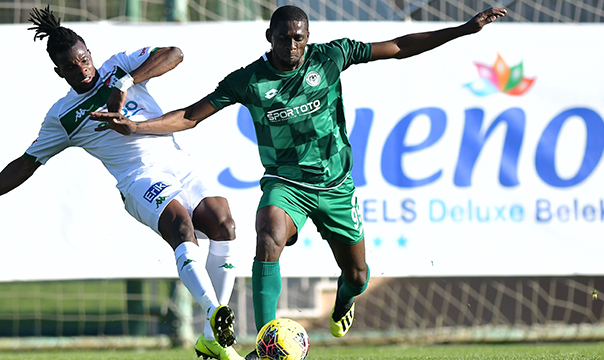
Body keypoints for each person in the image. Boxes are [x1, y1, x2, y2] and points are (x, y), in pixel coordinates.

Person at [90, 4, 507, 358]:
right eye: (284, 37)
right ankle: (265, 342)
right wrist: (137, 128)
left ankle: (346, 299)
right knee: (268, 230)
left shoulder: (330, 57)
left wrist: (464, 29)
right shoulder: (250, 80)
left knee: (358, 276)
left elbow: (398, 47)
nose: (292, 46)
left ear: (308, 38)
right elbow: (190, 116)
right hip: (286, 184)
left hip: (337, 185)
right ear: (269, 36)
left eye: (299, 38)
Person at [0, 6, 244, 360]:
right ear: (57, 72)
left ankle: (211, 336)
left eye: (83, 60)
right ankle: (215, 313)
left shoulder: (119, 66)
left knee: (224, 224)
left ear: (90, 54)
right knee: (182, 228)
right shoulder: (63, 116)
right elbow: (24, 164)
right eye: (71, 67)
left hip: (179, 165)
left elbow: (174, 54)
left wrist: (126, 82)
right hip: (139, 181)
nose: (81, 70)